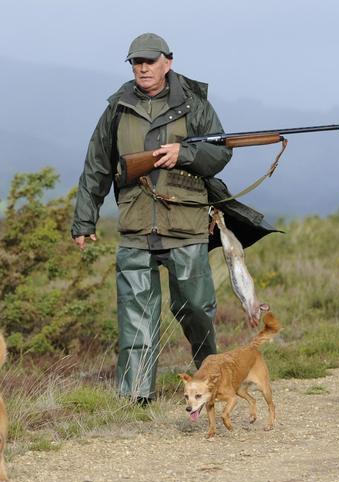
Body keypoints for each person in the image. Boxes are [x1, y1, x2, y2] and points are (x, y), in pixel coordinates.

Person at [71, 33, 252, 404]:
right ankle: (136, 395)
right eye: (136, 62)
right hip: (136, 225)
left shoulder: (195, 104)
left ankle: (212, 380)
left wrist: (184, 154)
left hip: (185, 225)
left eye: (149, 61)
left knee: (197, 309)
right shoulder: (118, 108)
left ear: (167, 62)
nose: (142, 67)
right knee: (135, 316)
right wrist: (84, 222)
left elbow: (218, 155)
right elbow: (96, 167)